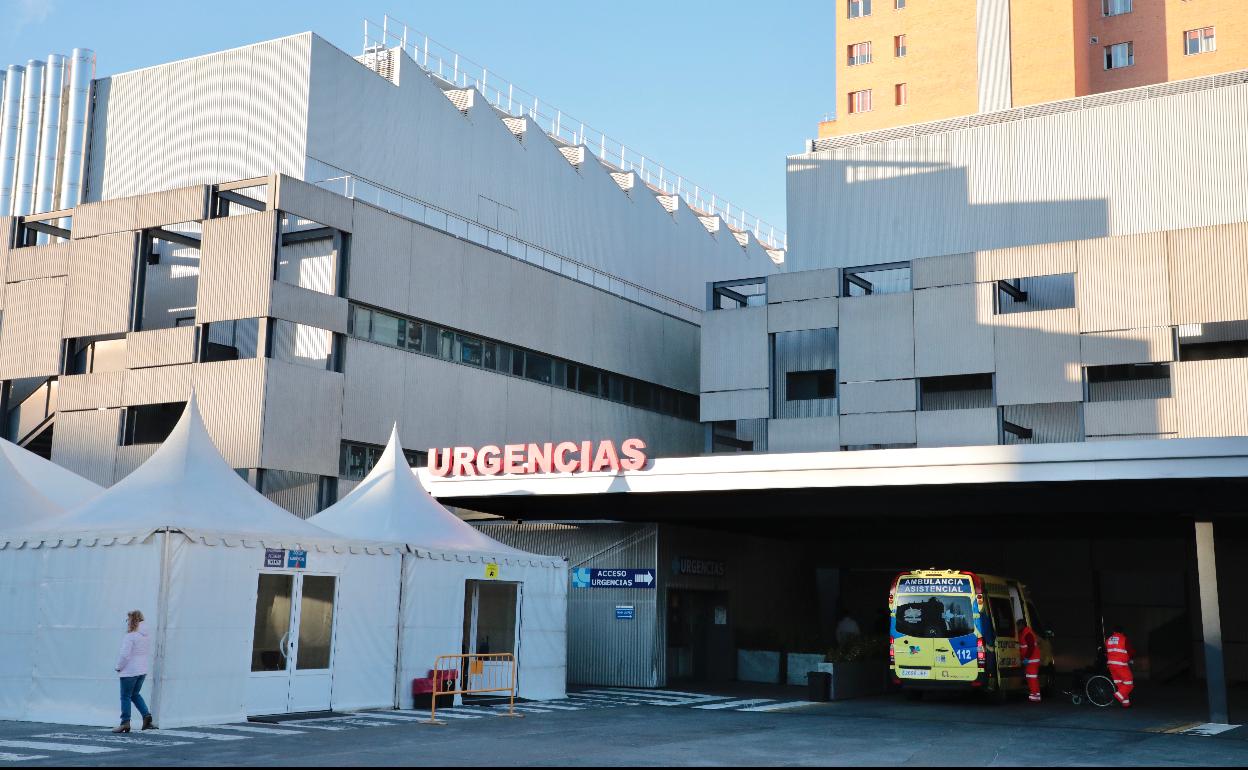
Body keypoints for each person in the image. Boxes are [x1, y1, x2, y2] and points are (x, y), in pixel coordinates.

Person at [114, 610, 156, 733]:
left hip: (129, 671)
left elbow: (125, 655)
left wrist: (119, 667)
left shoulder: (130, 636)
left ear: (132, 620)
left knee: (125, 696)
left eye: (128, 620)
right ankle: (146, 716)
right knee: (135, 694)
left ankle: (125, 723)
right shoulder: (146, 635)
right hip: (142, 671)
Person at [1105, 623, 1135, 708]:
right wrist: (1131, 658)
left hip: (1111, 665)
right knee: (1129, 683)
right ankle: (1117, 696)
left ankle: (1126, 704)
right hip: (1121, 665)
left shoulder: (1108, 640)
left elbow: (1108, 652)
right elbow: (1131, 652)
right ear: (1122, 631)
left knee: (1121, 684)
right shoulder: (1124, 639)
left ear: (1113, 631)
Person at [1016, 619, 1042, 703]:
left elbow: (1031, 647)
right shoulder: (1024, 633)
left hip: (1032, 659)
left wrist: (1026, 658)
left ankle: (1035, 695)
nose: (1017, 627)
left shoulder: (1027, 633)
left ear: (1022, 625)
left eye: (1018, 625)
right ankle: (1035, 695)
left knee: (1032, 678)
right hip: (1031, 659)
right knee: (1030, 677)